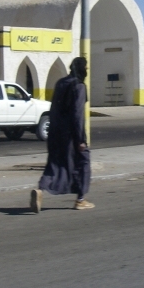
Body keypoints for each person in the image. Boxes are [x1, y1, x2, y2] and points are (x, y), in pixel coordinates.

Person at [31, 57, 94, 212]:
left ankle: (40, 189)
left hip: (55, 132)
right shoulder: (79, 86)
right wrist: (80, 139)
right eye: (86, 67)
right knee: (83, 162)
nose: (86, 70)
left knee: (54, 164)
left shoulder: (60, 83)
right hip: (71, 135)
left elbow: (53, 109)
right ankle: (80, 200)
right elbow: (77, 115)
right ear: (81, 69)